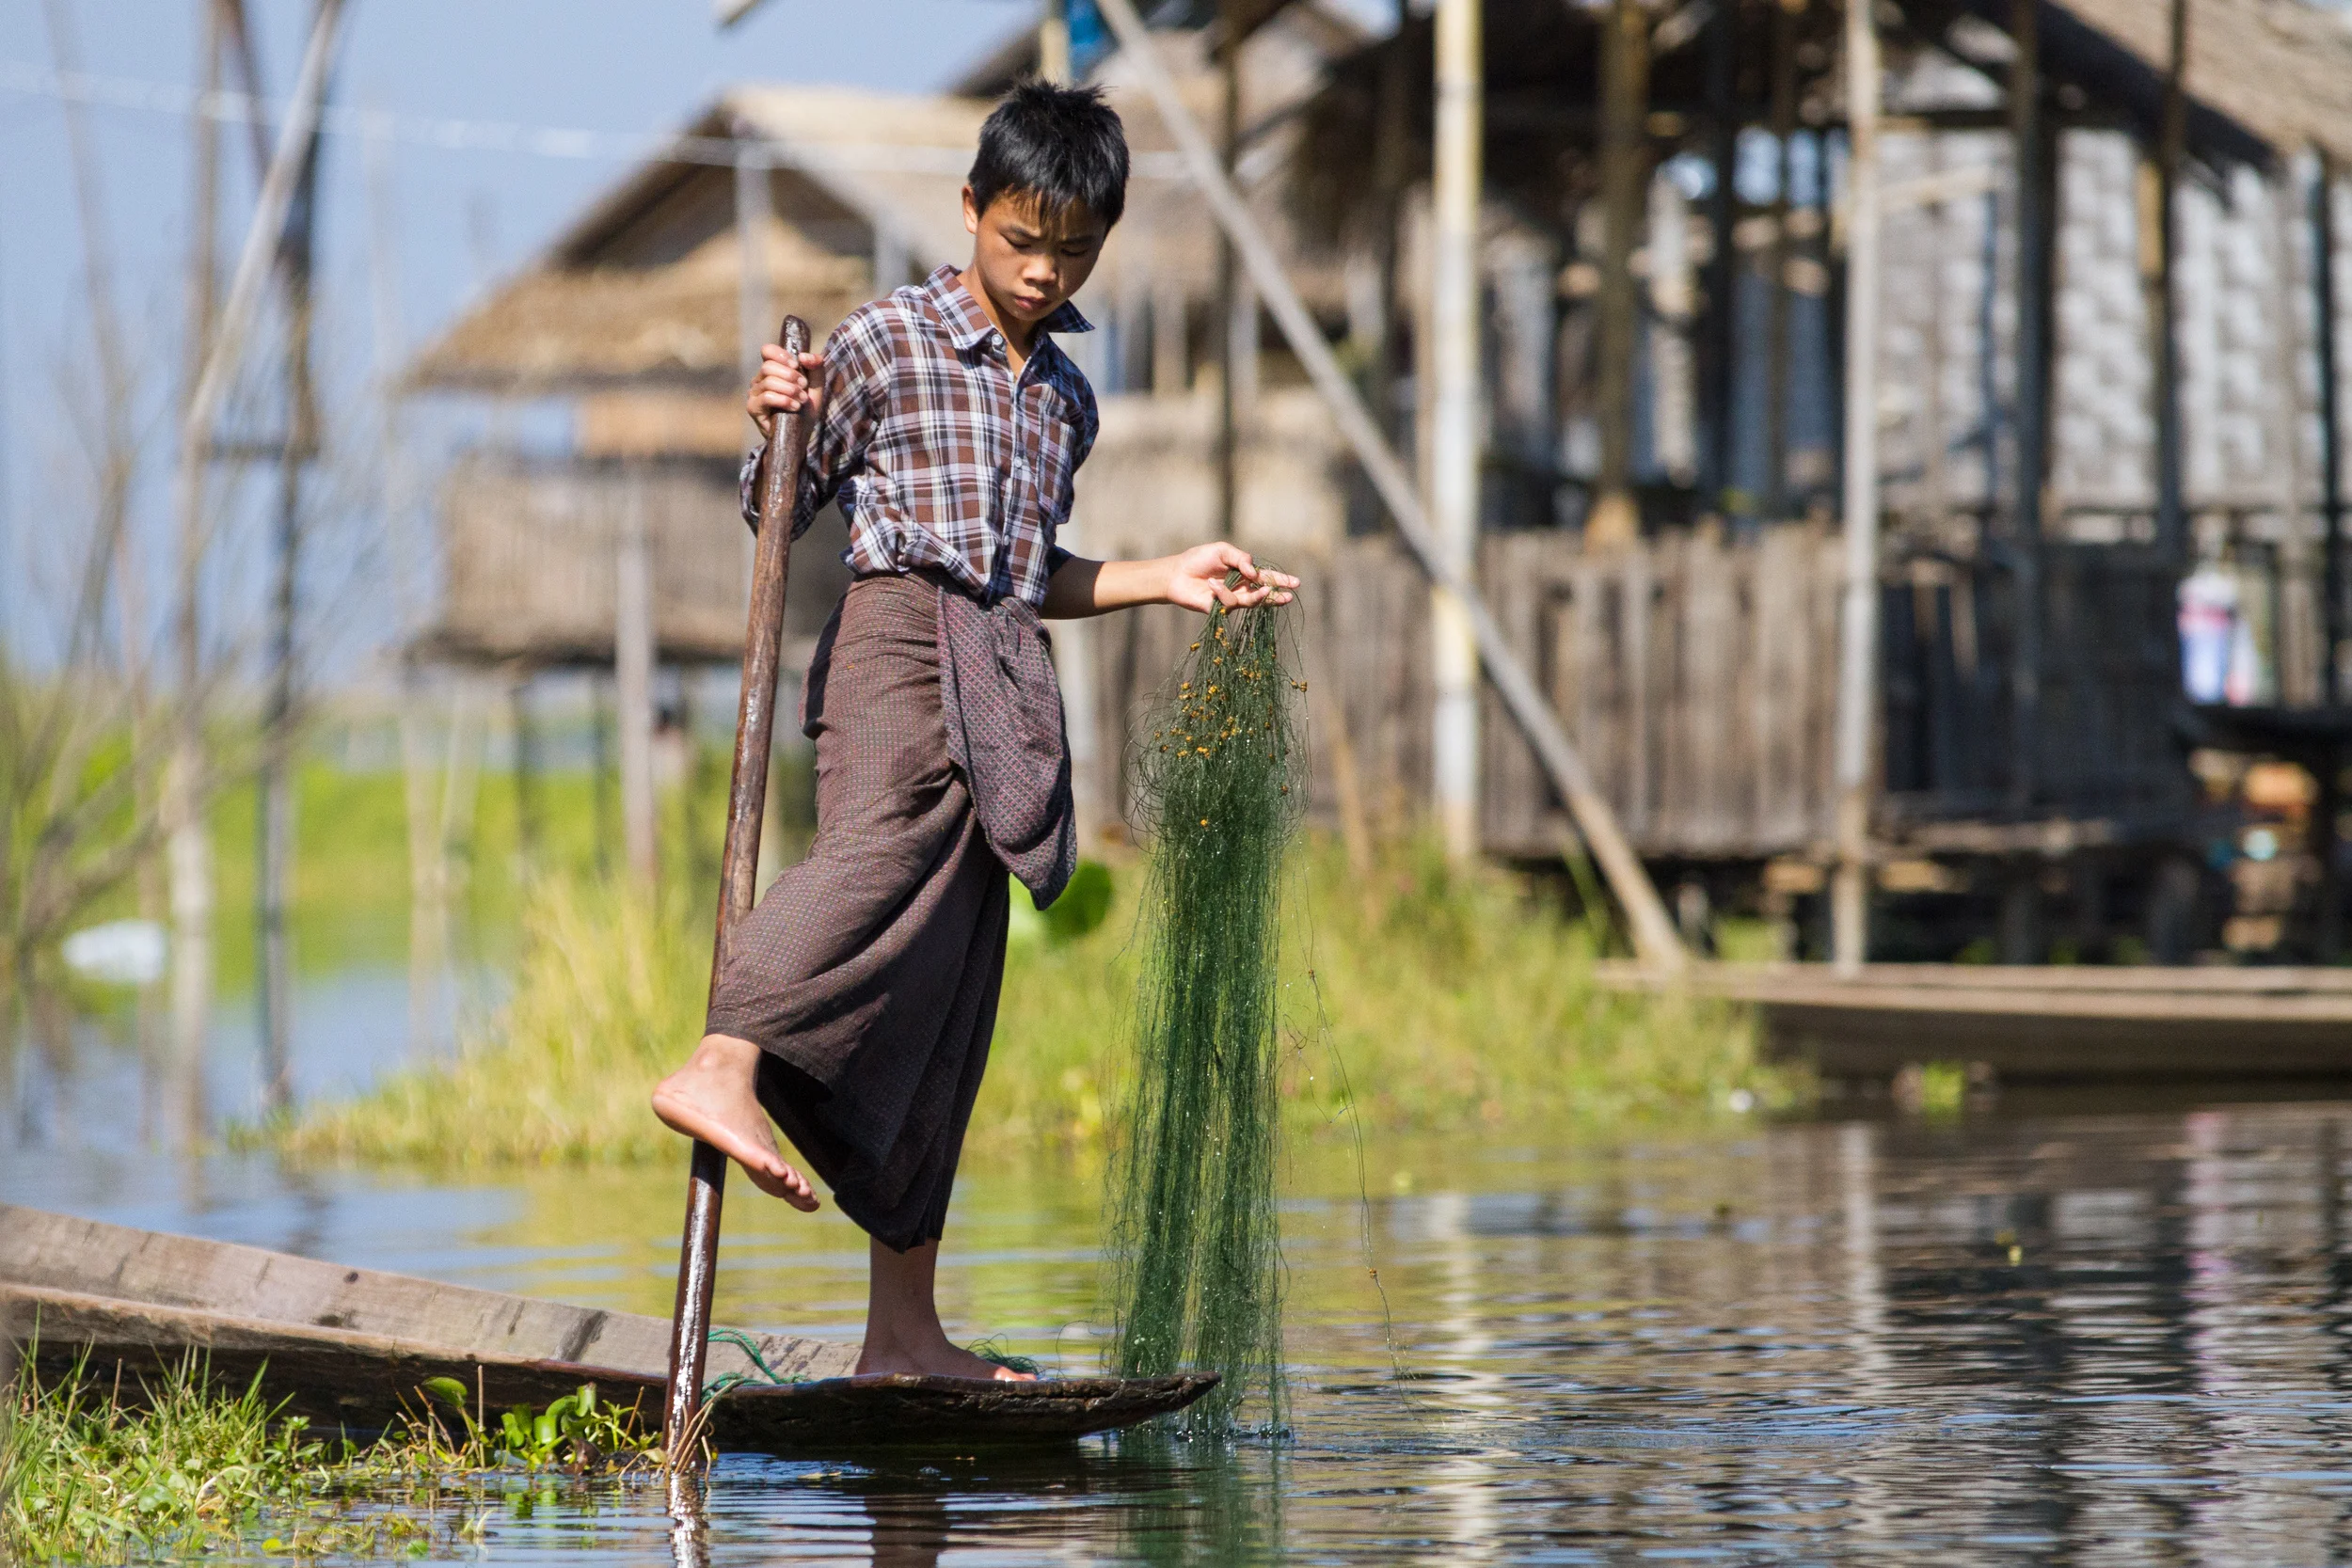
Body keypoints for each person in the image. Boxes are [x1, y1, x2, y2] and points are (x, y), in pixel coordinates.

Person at [651, 80, 1297, 1383]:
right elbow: (772, 506)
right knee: (881, 849)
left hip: (1001, 671)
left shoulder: (1067, 399)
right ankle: (722, 1061)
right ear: (969, 212)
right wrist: (776, 415)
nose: (1044, 269)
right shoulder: (887, 339)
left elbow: (1029, 566)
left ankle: (903, 1334)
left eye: (1072, 249)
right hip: (892, 642)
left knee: (949, 997)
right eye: (1021, 239)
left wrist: (1160, 573)